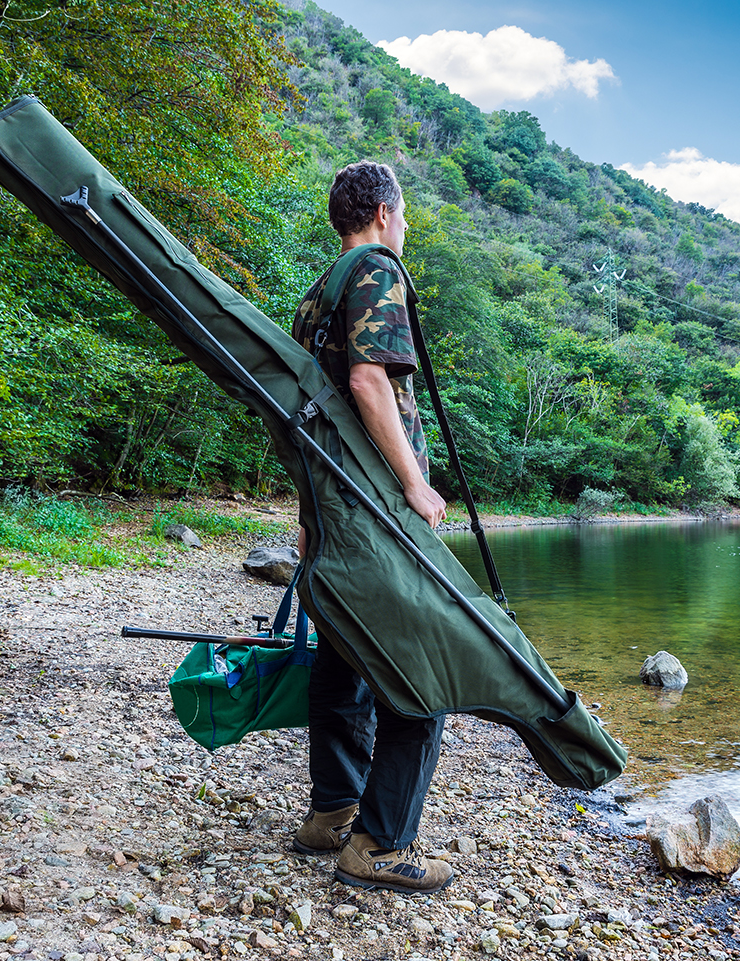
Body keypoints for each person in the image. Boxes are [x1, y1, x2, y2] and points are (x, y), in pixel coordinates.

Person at [288, 161, 453, 894]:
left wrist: (305, 520)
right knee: (425, 669)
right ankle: (379, 843)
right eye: (406, 212)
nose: (406, 226)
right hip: (372, 514)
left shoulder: (314, 295)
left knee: (343, 657)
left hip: (332, 515)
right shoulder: (377, 266)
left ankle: (332, 812)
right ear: (384, 211)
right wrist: (416, 485)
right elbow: (367, 381)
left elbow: (307, 417)